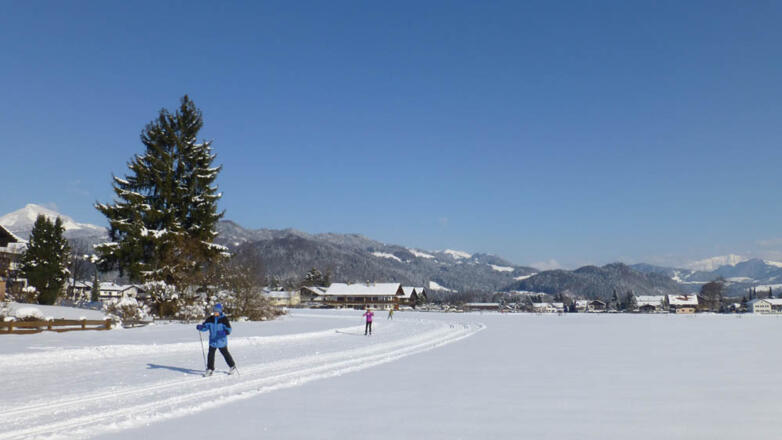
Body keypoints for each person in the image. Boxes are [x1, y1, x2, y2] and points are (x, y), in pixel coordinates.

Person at [197, 303, 237, 376]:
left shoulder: (224, 319)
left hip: (221, 341)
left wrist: (224, 332)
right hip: (213, 341)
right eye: (214, 311)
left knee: (225, 354)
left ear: (220, 311)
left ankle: (232, 366)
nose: (215, 312)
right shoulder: (210, 319)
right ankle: (210, 369)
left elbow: (229, 330)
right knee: (210, 354)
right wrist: (201, 327)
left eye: (217, 311)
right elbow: (205, 327)